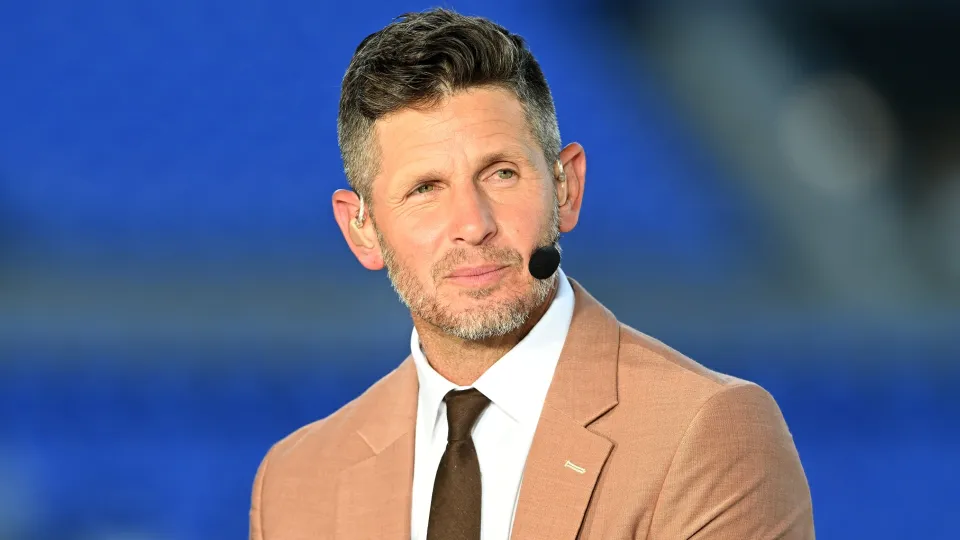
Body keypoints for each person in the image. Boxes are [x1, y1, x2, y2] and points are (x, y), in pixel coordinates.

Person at [249, 8, 814, 540]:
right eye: (425, 189)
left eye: (500, 174)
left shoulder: (708, 433)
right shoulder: (296, 481)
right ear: (362, 230)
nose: (472, 225)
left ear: (565, 188)